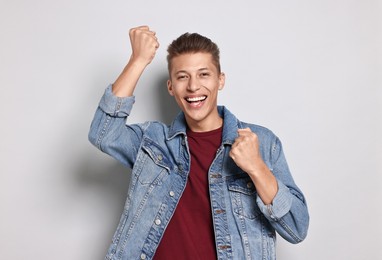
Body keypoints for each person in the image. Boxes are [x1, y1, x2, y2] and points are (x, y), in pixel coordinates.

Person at [88, 25, 309, 260]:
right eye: (182, 77)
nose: (193, 86)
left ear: (220, 80)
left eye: (204, 74)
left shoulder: (261, 143)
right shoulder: (152, 141)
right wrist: (138, 60)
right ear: (171, 87)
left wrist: (256, 167)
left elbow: (296, 228)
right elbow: (104, 133)